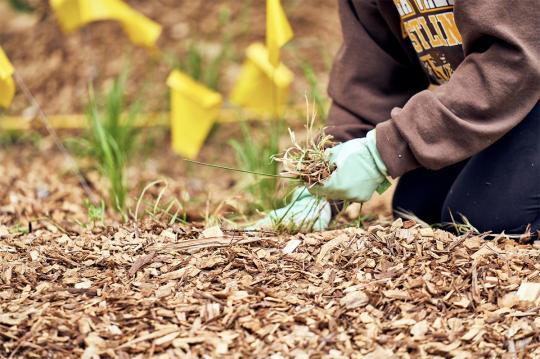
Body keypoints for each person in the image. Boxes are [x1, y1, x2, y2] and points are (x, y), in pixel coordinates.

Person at [254, 0, 540, 237]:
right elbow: (372, 81)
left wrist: (384, 150)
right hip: (505, 100)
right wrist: (323, 185)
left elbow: (513, 58)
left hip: (525, 81)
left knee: (493, 221)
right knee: (416, 210)